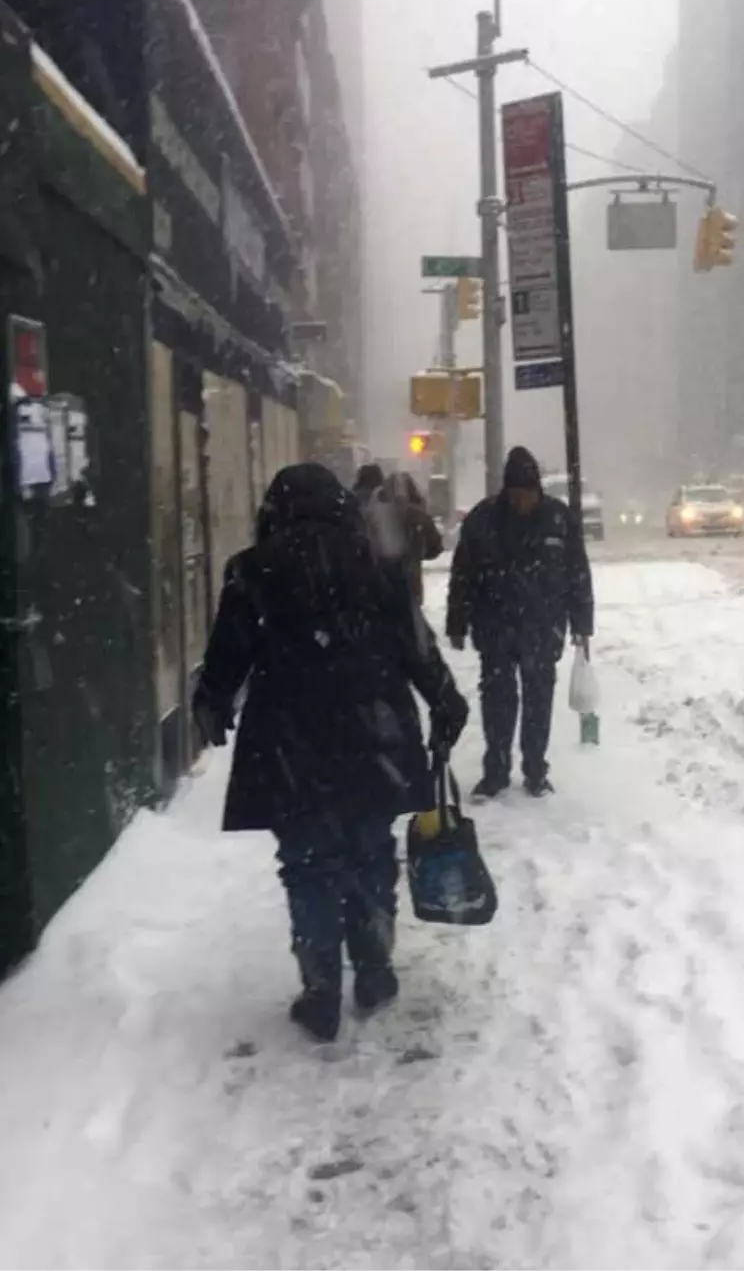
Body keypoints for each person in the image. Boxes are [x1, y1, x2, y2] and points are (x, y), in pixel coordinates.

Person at [193, 463, 468, 1043]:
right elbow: (414, 643)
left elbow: (228, 653)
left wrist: (212, 704)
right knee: (369, 850)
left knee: (308, 864)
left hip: (291, 741)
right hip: (373, 734)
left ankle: (320, 990)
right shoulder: (378, 562)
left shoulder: (254, 569)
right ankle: (373, 968)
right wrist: (444, 699)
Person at [446, 446, 593, 800]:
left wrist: (582, 622)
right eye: (514, 494)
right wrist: (458, 621)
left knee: (538, 700)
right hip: (494, 625)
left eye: (526, 494)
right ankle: (495, 771)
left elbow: (578, 572)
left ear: (537, 490)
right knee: (498, 700)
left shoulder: (559, 519)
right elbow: (463, 573)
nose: (520, 502)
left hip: (543, 627)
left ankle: (535, 770)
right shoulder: (483, 520)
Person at [364, 471, 444, 607]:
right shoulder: (418, 515)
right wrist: (417, 550)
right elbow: (435, 548)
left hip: (380, 582)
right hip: (410, 582)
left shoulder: (373, 514)